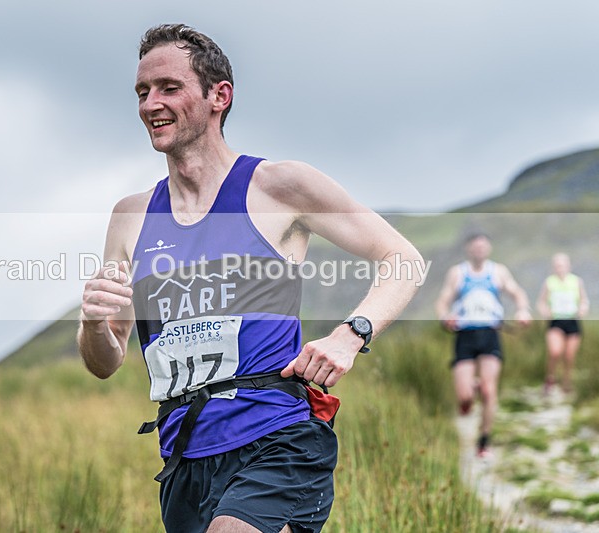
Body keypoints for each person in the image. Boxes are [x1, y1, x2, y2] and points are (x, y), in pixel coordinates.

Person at [78, 23, 422, 533]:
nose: (151, 103)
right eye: (142, 92)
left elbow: (403, 258)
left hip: (276, 438)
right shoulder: (131, 216)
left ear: (220, 96)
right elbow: (106, 362)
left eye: (169, 88)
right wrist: (93, 324)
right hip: (184, 458)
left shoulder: (280, 187)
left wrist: (352, 336)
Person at [435, 232, 532, 458]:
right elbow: (443, 300)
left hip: (490, 334)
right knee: (465, 398)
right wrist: (444, 317)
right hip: (465, 336)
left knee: (489, 391)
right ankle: (470, 392)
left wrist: (522, 309)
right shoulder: (458, 273)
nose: (479, 250)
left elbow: (517, 292)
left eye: (483, 246)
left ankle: (484, 440)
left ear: (488, 249)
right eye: (475, 247)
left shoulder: (497, 272)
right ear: (469, 249)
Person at [536, 252, 589, 394]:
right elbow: (541, 302)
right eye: (557, 265)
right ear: (553, 267)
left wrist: (583, 309)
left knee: (569, 355)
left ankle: (567, 382)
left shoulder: (576, 281)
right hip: (556, 321)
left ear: (569, 266)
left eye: (563, 265)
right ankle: (550, 378)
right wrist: (545, 312)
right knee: (555, 351)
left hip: (572, 321)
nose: (560, 268)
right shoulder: (549, 282)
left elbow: (584, 300)